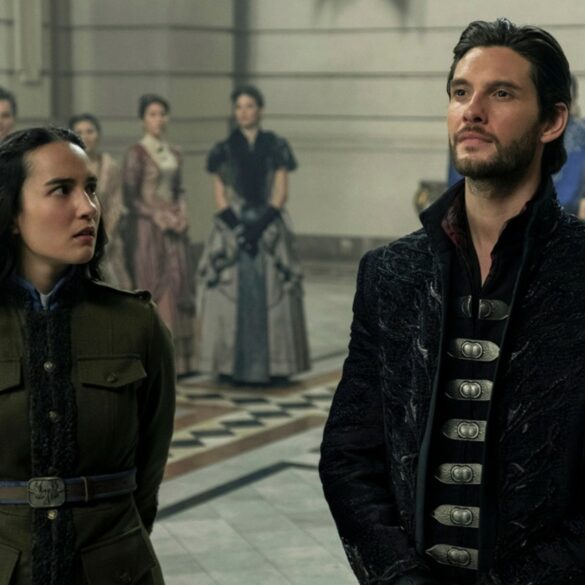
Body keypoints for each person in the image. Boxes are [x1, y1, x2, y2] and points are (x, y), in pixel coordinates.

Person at [320, 18, 585, 585]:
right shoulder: (390, 273)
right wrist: (399, 575)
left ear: (552, 121)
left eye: (501, 93)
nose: (472, 111)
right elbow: (349, 454)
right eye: (461, 92)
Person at [0, 127, 175, 583]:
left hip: (116, 567)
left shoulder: (137, 323)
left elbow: (148, 469)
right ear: (12, 214)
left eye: (91, 189)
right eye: (62, 190)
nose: (89, 208)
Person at [195, 85, 310, 384]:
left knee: (274, 290)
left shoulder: (275, 145)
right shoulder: (224, 148)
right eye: (239, 107)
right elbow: (220, 195)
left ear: (260, 110)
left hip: (268, 224)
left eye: (249, 106)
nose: (244, 112)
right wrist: (239, 229)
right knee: (228, 291)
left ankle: (275, 366)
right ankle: (229, 365)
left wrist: (259, 228)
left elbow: (281, 192)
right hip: (232, 226)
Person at [123, 94, 195, 376]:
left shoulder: (174, 152)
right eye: (152, 114)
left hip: (174, 229)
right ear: (143, 119)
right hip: (148, 230)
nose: (158, 120)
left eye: (162, 114)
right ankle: (156, 358)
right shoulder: (136, 153)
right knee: (155, 284)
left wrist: (182, 214)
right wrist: (156, 215)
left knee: (178, 284)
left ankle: (181, 361)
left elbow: (180, 190)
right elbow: (131, 198)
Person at [69, 113, 132, 289]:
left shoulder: (109, 165)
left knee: (115, 286)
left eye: (90, 131)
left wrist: (104, 238)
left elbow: (116, 205)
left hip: (108, 238)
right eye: (79, 132)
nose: (85, 136)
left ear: (98, 134)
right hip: (76, 235)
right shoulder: (66, 167)